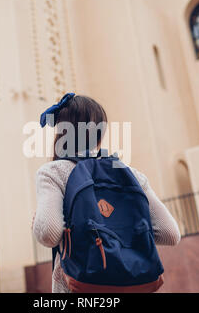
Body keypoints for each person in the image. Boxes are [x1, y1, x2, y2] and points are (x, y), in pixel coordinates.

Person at [33, 94, 181, 293]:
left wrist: (38, 223)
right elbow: (170, 233)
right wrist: (125, 235)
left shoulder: (54, 172)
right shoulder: (131, 174)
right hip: (134, 283)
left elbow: (49, 234)